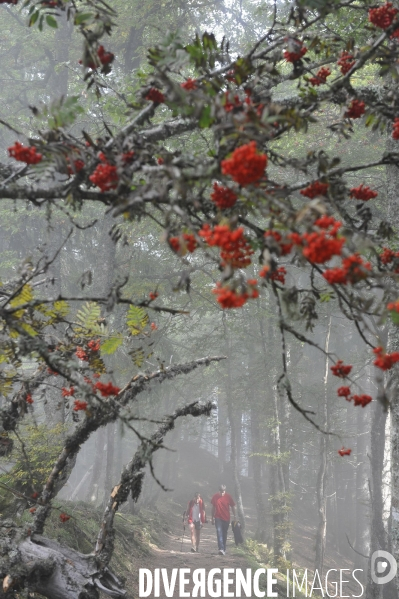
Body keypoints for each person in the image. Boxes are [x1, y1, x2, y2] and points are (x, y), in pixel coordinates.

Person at [211, 484, 236, 555]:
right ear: (219, 490)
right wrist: (212, 518)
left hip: (226, 518)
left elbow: (233, 506)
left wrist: (235, 516)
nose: (222, 493)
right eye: (221, 491)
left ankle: (224, 549)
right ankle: (221, 548)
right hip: (218, 517)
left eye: (223, 491)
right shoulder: (215, 496)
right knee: (219, 532)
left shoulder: (228, 496)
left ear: (225, 490)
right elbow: (213, 507)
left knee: (224, 533)